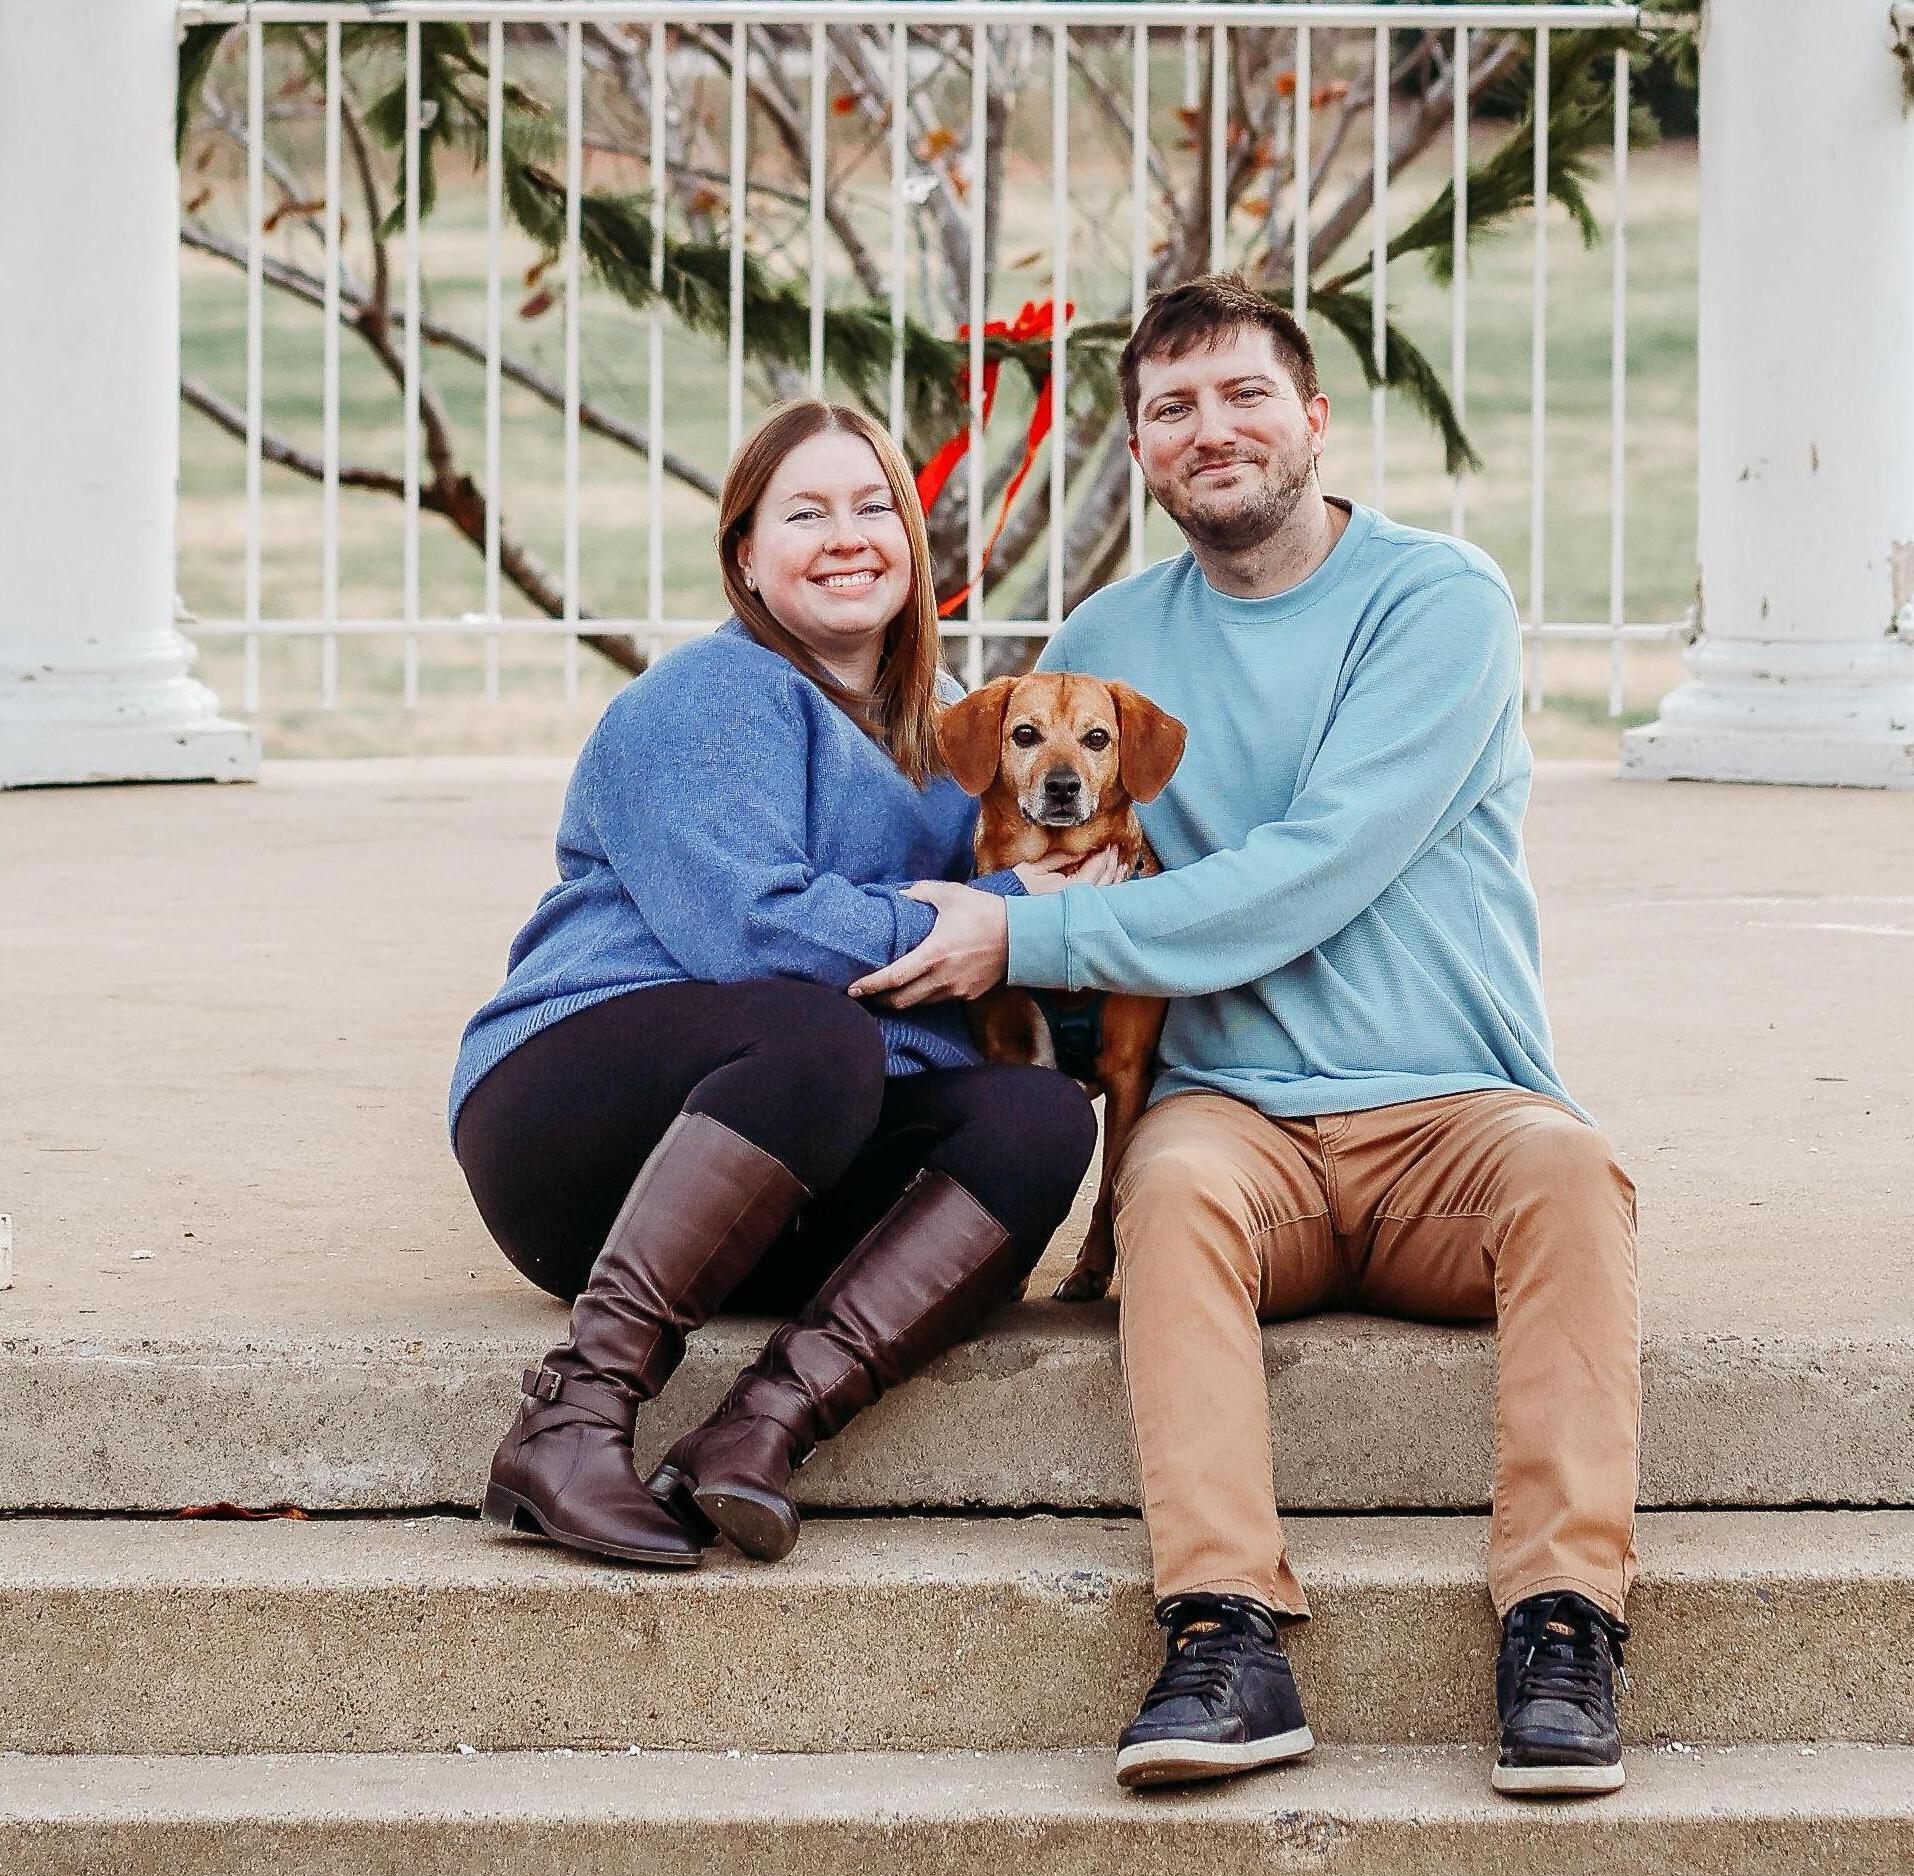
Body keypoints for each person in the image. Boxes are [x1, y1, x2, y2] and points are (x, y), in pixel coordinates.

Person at [852, 275, 1641, 1798]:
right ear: (1141, 448)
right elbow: (1038, 854)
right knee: (1165, 1181)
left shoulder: (1437, 601)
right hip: (1234, 1115)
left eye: (1242, 395)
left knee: (1571, 1172)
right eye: (1171, 408)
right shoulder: (1107, 641)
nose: (1208, 430)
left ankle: (1563, 1624)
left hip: (1449, 1106)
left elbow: (1317, 866)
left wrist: (1028, 935)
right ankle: (1224, 1631)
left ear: (1313, 418)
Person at [451, 400, 1100, 1574]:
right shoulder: (704, 697)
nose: (847, 536)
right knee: (813, 1029)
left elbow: (995, 980)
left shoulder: (955, 751)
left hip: (787, 1172)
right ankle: (569, 1423)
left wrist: (1072, 931)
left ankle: (756, 1433)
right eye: (806, 514)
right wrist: (999, 919)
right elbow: (754, 931)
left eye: (874, 508)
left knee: (1042, 1119)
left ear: (912, 543)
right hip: (569, 1121)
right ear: (746, 555)